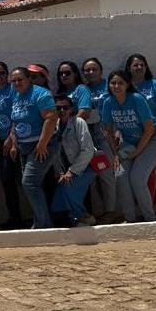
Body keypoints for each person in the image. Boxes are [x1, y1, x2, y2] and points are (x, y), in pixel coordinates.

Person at [103, 69, 156, 223]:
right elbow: (108, 131)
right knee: (120, 176)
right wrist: (116, 154)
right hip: (129, 143)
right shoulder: (108, 102)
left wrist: (137, 152)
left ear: (127, 85)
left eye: (120, 83)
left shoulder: (137, 99)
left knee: (137, 178)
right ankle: (130, 219)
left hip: (153, 140)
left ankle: (150, 219)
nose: (116, 86)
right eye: (113, 83)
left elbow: (149, 129)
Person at [5, 67, 58, 229]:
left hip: (41, 146)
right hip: (23, 146)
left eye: (20, 79)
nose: (16, 83)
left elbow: (51, 118)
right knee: (32, 185)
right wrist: (13, 142)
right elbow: (16, 120)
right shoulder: (15, 95)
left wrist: (42, 144)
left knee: (29, 183)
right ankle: (40, 221)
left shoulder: (41, 94)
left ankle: (43, 225)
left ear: (29, 79)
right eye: (13, 81)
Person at [126, 53, 156, 216]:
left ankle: (151, 206)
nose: (139, 67)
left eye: (142, 65)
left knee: (148, 173)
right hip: (131, 138)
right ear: (129, 68)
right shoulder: (125, 86)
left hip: (153, 137)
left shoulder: (154, 85)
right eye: (135, 65)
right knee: (132, 175)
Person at [50, 93, 98, 226]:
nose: (62, 111)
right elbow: (54, 153)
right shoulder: (53, 125)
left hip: (86, 166)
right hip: (66, 170)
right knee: (60, 193)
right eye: (58, 108)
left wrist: (71, 171)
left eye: (65, 107)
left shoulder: (79, 122)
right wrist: (60, 172)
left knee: (69, 189)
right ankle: (72, 219)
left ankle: (83, 216)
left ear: (71, 109)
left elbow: (88, 150)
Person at [82, 58, 119, 223]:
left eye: (94, 69)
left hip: (106, 132)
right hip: (88, 134)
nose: (91, 72)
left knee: (106, 174)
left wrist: (118, 130)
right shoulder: (83, 90)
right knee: (94, 176)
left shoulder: (109, 86)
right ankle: (99, 211)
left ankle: (111, 211)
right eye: (87, 70)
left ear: (101, 70)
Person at [0, 61, 23, 229]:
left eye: (2, 72)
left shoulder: (13, 90)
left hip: (15, 140)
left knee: (21, 180)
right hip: (1, 141)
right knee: (6, 180)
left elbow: (18, 115)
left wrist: (11, 138)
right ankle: (14, 217)